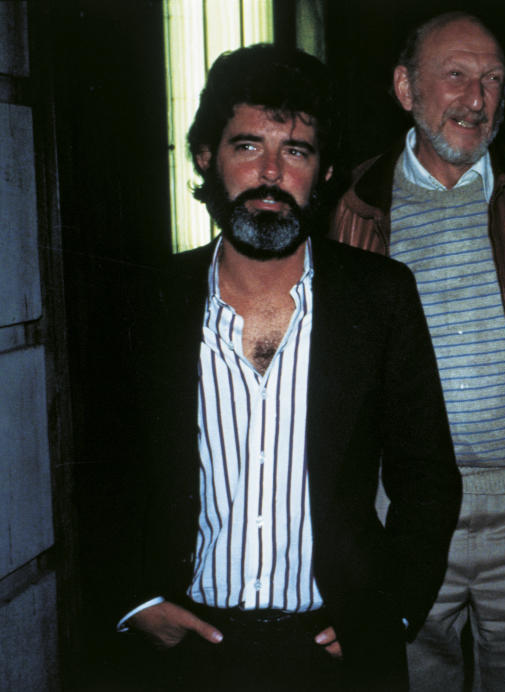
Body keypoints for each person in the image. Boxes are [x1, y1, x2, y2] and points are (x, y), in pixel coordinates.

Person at [117, 43, 461, 691]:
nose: (271, 173)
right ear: (205, 157)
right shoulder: (150, 295)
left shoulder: (379, 294)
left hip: (338, 648)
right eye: (247, 147)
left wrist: (392, 607)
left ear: (325, 171)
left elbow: (428, 477)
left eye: (296, 151)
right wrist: (134, 601)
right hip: (187, 646)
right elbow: (105, 460)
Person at [332, 12, 505, 691]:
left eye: (494, 81)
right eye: (456, 76)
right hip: (403, 518)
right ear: (404, 87)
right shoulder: (358, 204)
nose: (478, 100)